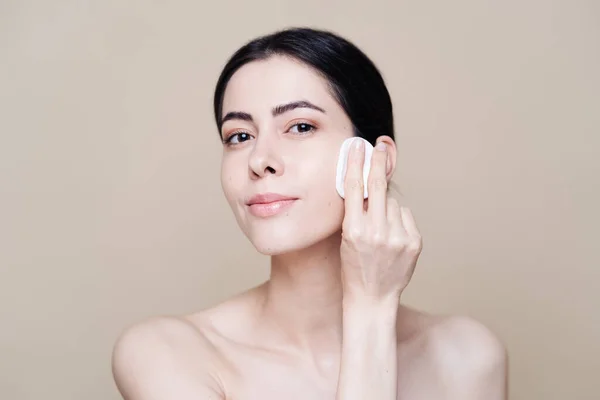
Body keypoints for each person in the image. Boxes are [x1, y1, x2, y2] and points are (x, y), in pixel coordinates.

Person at [111, 27, 508, 399]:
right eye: (240, 136)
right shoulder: (166, 354)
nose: (260, 160)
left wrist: (372, 309)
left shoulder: (465, 358)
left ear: (377, 159)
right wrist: (369, 309)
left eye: (300, 127)